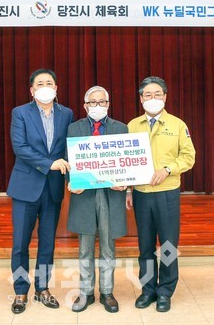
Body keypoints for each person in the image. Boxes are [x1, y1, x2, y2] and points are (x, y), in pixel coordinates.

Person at [7, 69, 74, 314]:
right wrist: (49, 164)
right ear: (32, 90)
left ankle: (42, 288)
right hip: (26, 187)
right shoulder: (20, 112)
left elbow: (69, 148)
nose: (45, 87)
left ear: (56, 88)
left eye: (49, 83)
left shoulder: (66, 113)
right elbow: (20, 147)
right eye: (40, 83)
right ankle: (20, 290)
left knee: (47, 243)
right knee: (20, 243)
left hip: (53, 188)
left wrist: (74, 176)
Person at [126, 76, 195, 313]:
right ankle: (148, 290)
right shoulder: (132, 125)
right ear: (141, 99)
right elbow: (126, 161)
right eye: (148, 94)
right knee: (145, 246)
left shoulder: (177, 125)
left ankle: (165, 291)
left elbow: (188, 157)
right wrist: (128, 189)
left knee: (167, 245)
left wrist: (167, 170)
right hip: (141, 194)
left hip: (167, 194)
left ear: (165, 97)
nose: (152, 98)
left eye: (157, 94)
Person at [66, 86, 129, 313]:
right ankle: (85, 293)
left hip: (111, 193)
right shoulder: (74, 128)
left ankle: (107, 292)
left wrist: (125, 183)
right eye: (93, 102)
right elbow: (68, 159)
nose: (97, 106)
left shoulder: (121, 128)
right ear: (85, 106)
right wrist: (71, 181)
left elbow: (127, 160)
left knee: (108, 246)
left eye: (102, 102)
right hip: (84, 194)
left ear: (108, 104)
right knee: (84, 247)